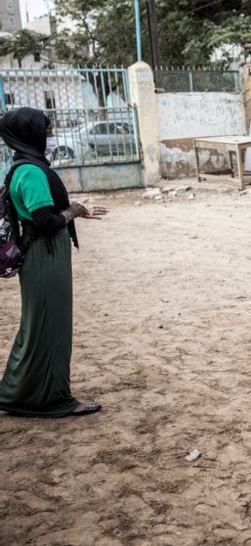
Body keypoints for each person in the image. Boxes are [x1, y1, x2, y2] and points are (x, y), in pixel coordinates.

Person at [0, 107, 108, 417]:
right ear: (30, 134)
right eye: (46, 132)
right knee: (50, 328)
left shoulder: (26, 166)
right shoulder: (31, 171)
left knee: (41, 326)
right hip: (44, 254)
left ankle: (19, 392)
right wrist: (75, 210)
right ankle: (51, 398)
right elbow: (45, 221)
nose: (50, 138)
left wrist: (75, 210)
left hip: (45, 254)